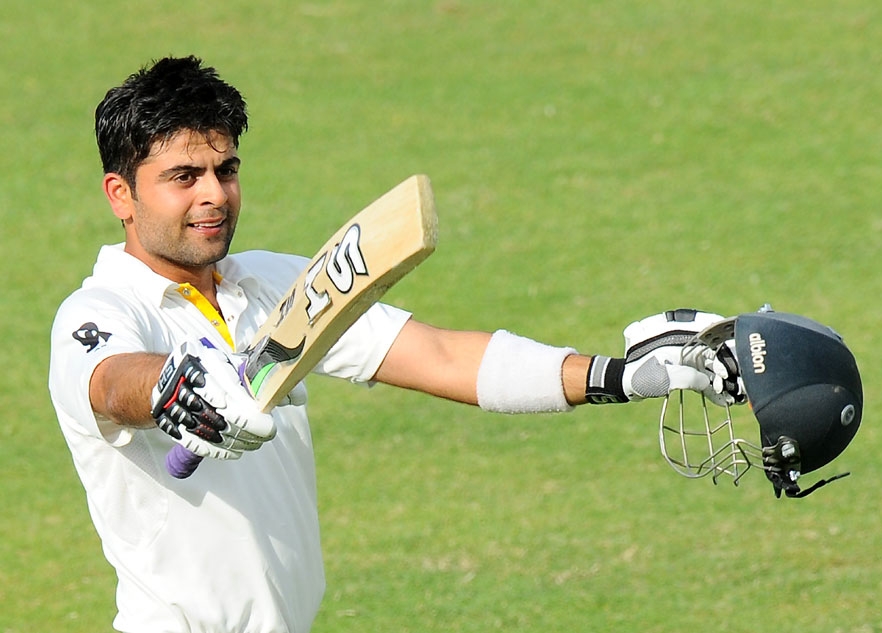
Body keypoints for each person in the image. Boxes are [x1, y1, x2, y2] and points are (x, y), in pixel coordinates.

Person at [48, 56, 731, 633]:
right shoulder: (99, 311)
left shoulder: (278, 286)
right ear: (121, 194)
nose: (215, 195)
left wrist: (623, 374)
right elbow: (111, 382)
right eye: (183, 176)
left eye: (225, 169)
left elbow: (441, 357)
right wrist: (178, 387)